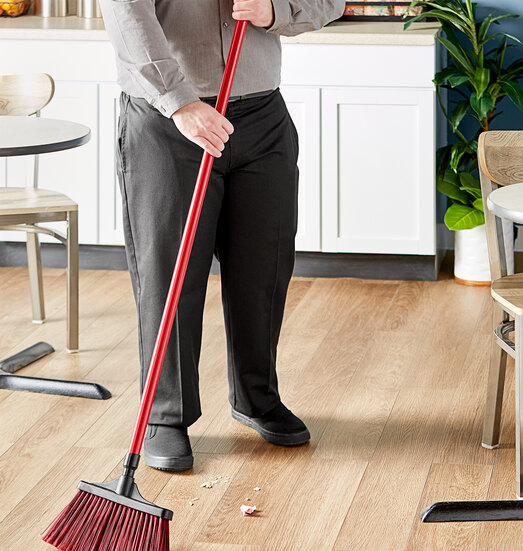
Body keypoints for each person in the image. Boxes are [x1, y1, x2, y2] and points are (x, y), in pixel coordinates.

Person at [99, 0, 345, 471]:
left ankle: (257, 397)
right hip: (168, 121)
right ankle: (166, 417)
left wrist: (275, 10)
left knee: (263, 268)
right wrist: (181, 103)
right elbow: (127, 13)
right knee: (171, 276)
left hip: (261, 114)